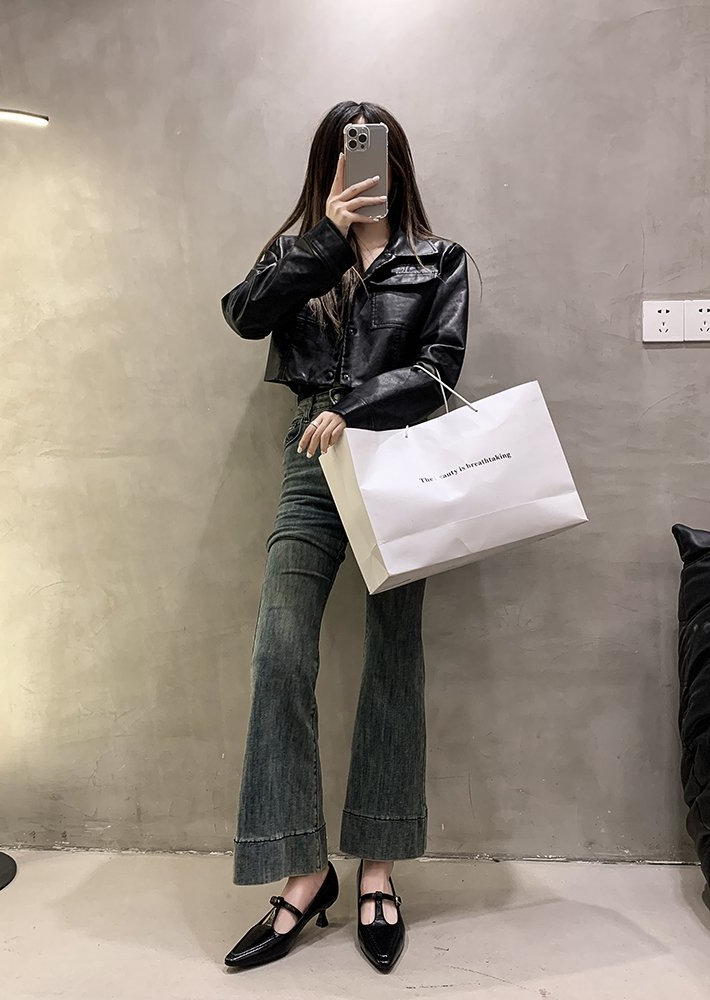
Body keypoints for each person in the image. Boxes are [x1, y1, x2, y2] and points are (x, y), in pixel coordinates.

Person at [219, 101, 472, 973]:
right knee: (280, 651)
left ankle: (378, 869)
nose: (365, 167)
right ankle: (304, 872)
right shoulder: (298, 251)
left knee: (394, 657)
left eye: (377, 152)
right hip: (312, 465)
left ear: (398, 162)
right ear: (328, 165)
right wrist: (326, 239)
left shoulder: (438, 259)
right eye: (347, 154)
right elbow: (244, 315)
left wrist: (353, 408)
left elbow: (440, 368)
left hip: (398, 463)